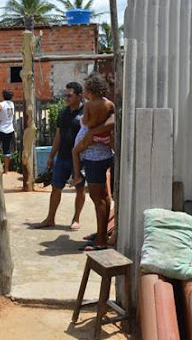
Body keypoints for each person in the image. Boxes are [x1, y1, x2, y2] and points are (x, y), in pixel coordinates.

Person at [72, 73, 115, 251]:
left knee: (98, 200)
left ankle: (101, 242)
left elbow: (88, 124)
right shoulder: (109, 104)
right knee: (103, 198)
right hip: (100, 153)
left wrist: (87, 127)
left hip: (94, 157)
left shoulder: (90, 105)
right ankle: (101, 234)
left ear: (90, 89)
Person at [34, 82, 85, 230]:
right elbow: (58, 136)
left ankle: (76, 219)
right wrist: (51, 156)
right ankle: (50, 218)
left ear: (79, 95)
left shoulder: (86, 112)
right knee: (56, 187)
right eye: (66, 95)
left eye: (70, 95)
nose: (67, 98)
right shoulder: (63, 113)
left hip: (80, 158)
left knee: (80, 188)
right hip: (63, 157)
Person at [0, 89, 15, 174]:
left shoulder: (1, 104)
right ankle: (6, 169)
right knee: (7, 150)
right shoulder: (12, 104)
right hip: (9, 129)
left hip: (0, 129)